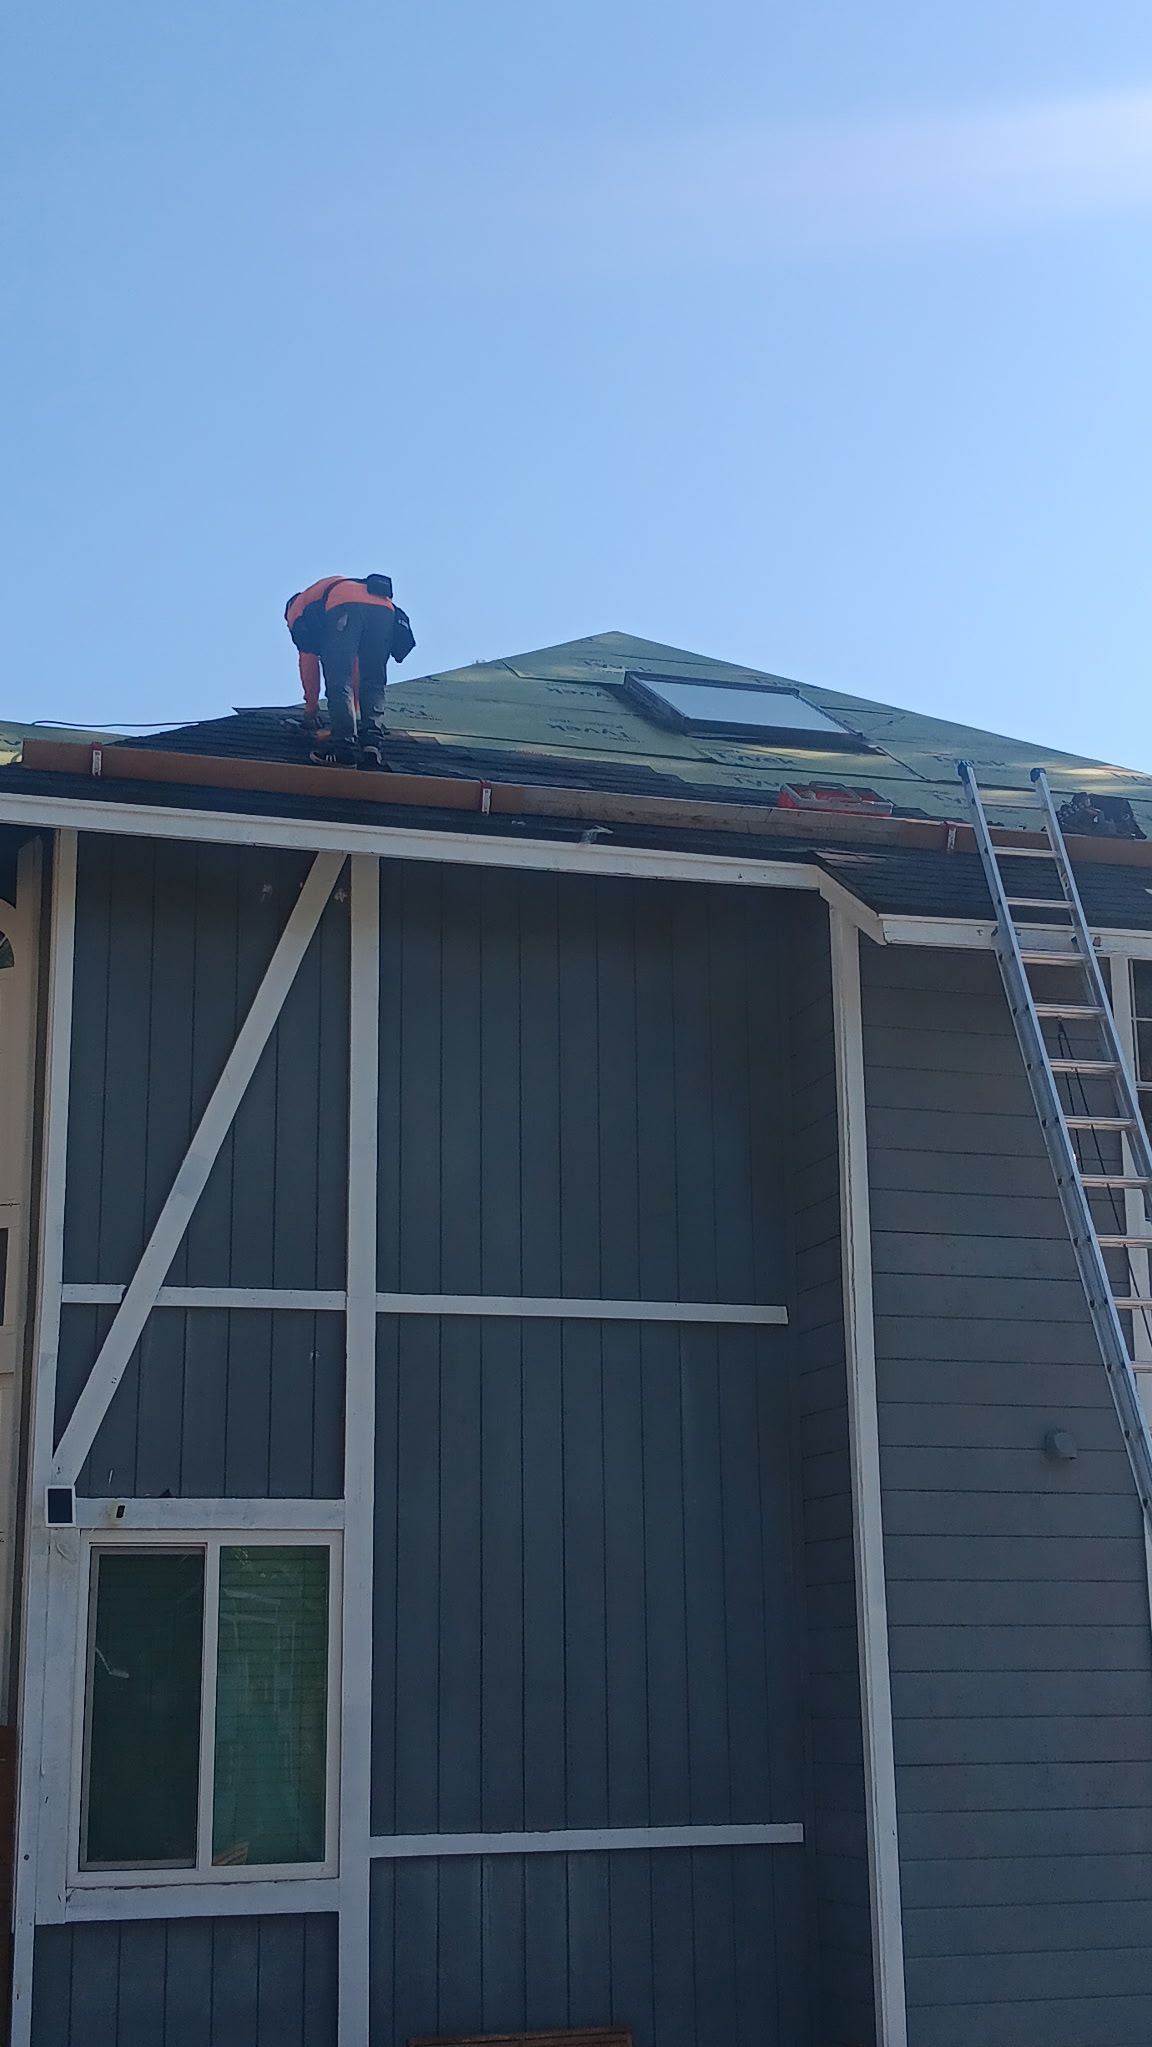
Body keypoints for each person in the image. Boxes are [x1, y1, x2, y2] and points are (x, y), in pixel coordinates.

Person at [284, 574, 413, 766]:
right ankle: (371, 746)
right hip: (385, 609)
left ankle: (344, 750)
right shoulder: (323, 593)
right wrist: (352, 715)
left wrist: (310, 711)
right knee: (374, 681)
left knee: (338, 680)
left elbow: (309, 662)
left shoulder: (296, 609)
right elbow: (355, 669)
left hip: (346, 607)